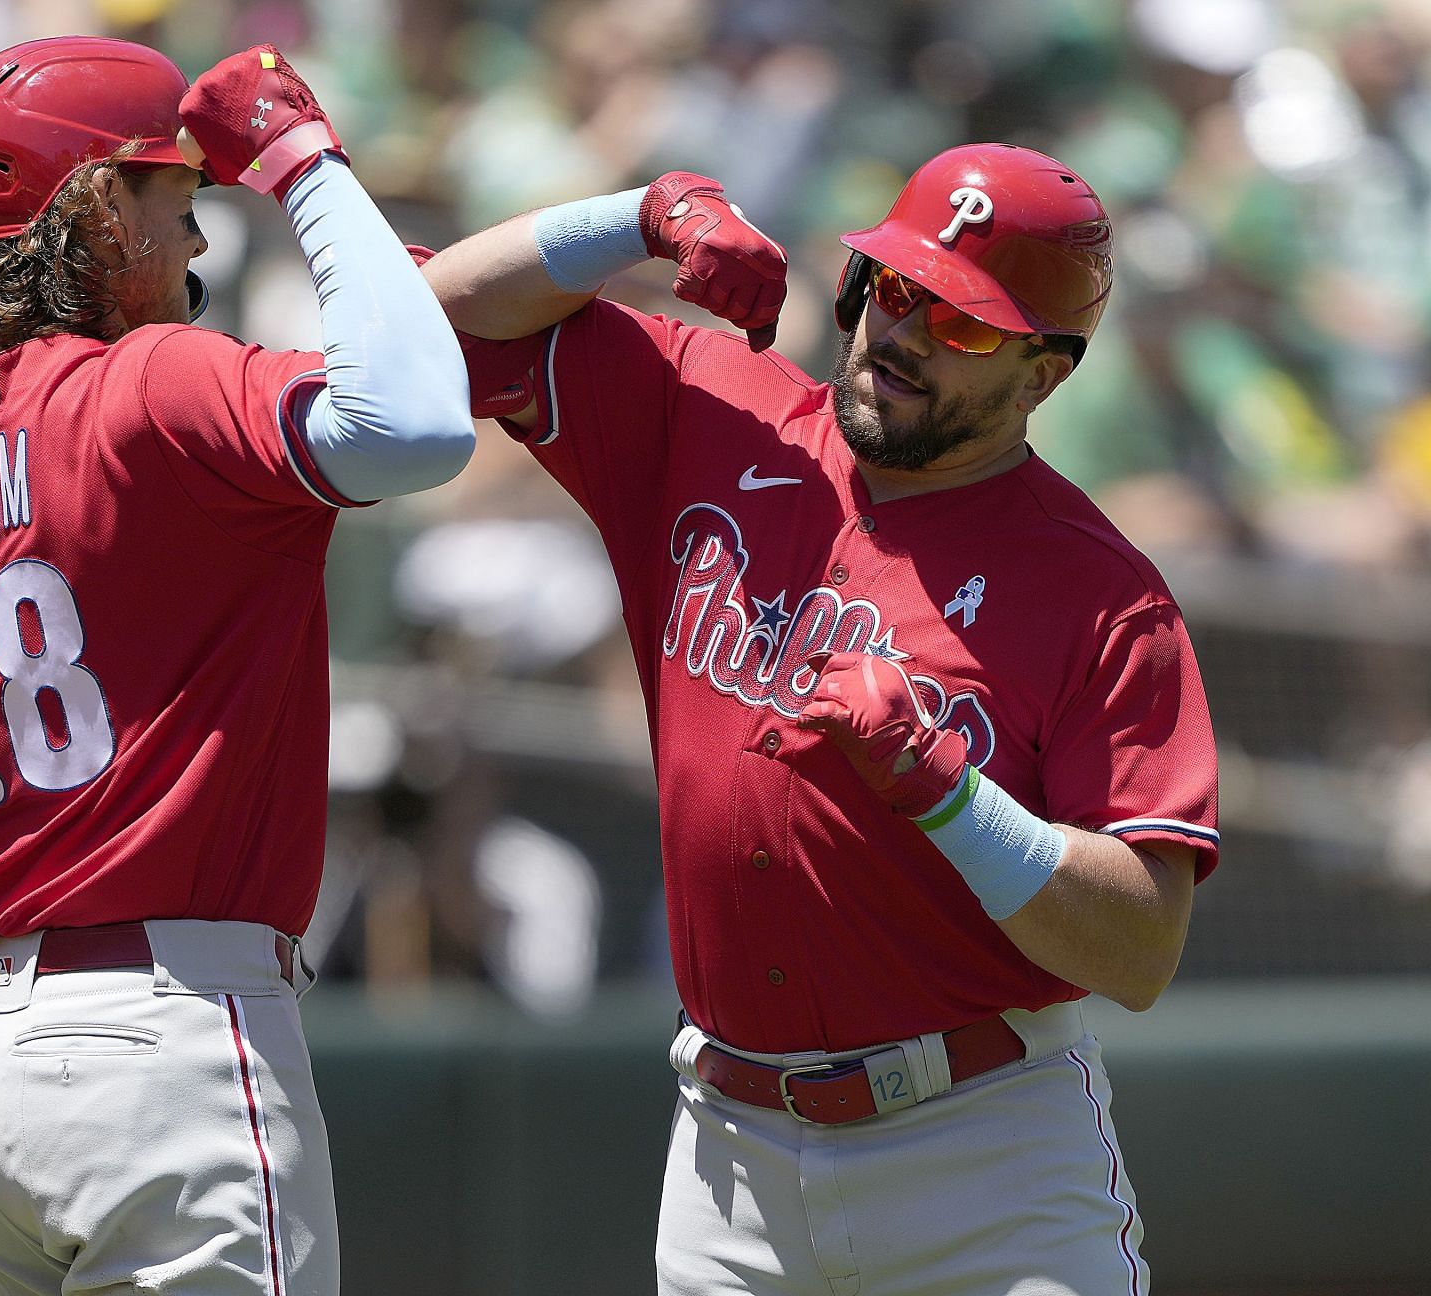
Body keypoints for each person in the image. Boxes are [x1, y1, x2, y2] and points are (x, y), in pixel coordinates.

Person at [0, 36, 473, 1295]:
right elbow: (416, 421)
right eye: (175, 204)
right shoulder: (155, 386)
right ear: (99, 208)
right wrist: (300, 157)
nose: (197, 247)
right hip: (174, 1055)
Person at [420, 147, 1219, 1293]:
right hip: (727, 1158)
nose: (906, 335)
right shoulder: (716, 412)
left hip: (984, 1156)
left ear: (1045, 376)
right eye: (897, 290)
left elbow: (1141, 949)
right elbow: (429, 322)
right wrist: (641, 217)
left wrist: (945, 793)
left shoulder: (1107, 598)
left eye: (967, 327)